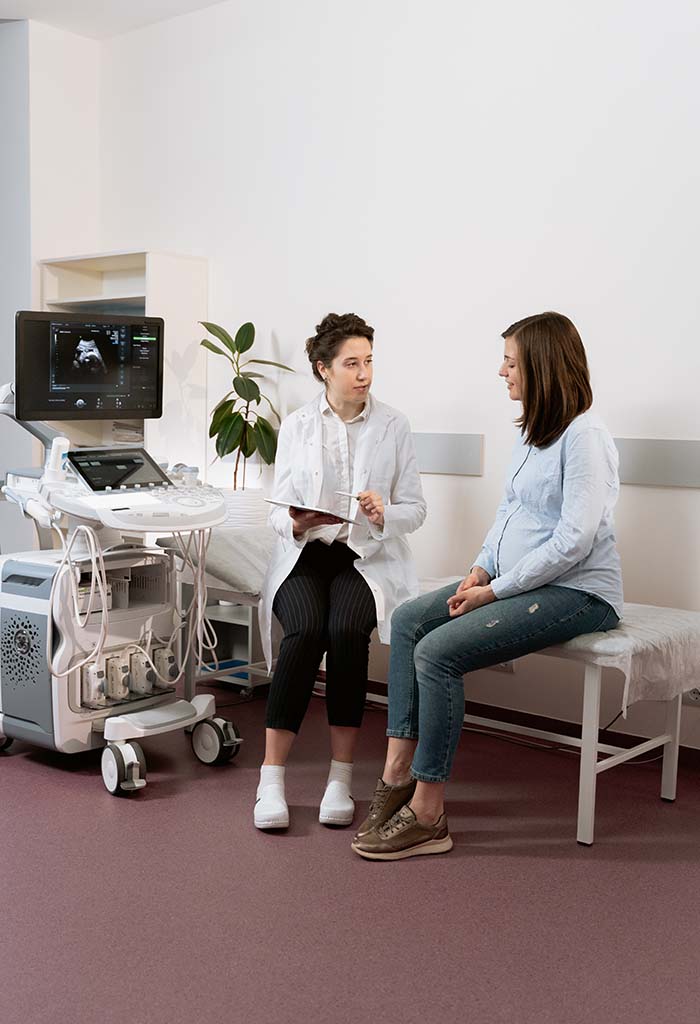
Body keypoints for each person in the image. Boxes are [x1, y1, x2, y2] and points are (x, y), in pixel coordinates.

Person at [351, 311, 623, 861]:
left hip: (581, 593)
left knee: (437, 653)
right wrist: (480, 568)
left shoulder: (585, 436)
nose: (501, 371)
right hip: (514, 581)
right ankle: (397, 774)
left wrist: (495, 592)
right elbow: (509, 515)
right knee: (408, 621)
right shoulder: (533, 433)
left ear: (542, 366)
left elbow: (573, 541)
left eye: (511, 361)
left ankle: (429, 814)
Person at [255, 313, 427, 830]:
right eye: (351, 363)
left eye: (369, 361)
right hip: (306, 552)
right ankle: (271, 779)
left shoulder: (394, 425)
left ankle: (340, 777)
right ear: (323, 368)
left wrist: (384, 513)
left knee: (347, 633)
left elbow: (415, 509)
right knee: (305, 632)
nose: (364, 373)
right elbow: (272, 509)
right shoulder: (298, 425)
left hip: (364, 557)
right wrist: (294, 519)